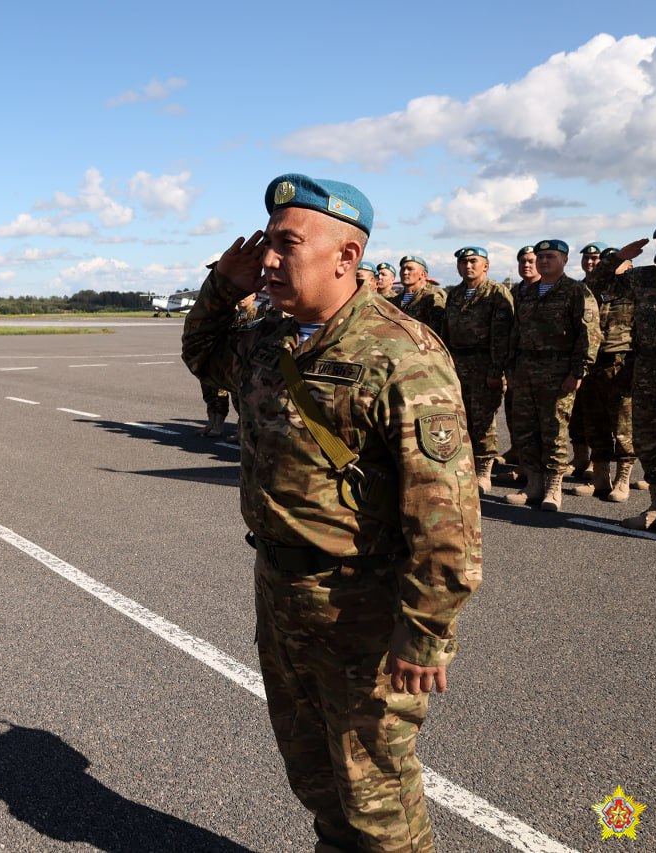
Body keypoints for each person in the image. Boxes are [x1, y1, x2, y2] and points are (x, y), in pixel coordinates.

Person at [183, 173, 482, 852]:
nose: (269, 258)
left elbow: (446, 510)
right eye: (268, 244)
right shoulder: (267, 337)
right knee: (313, 771)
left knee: (376, 792)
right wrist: (224, 288)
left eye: (287, 244)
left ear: (345, 256)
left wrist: (426, 627)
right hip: (282, 590)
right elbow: (201, 353)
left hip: (362, 606)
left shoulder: (402, 351)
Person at [504, 239, 600, 511]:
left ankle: (553, 487)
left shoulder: (576, 291)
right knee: (526, 429)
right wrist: (510, 369)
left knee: (554, 430)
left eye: (550, 257)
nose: (544, 261)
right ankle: (533, 484)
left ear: (564, 260)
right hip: (524, 370)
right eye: (541, 257)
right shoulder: (526, 292)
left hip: (558, 372)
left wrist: (578, 371)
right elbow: (515, 331)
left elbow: (589, 335)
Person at [594, 231, 656, 529]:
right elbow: (597, 285)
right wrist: (618, 258)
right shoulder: (644, 279)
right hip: (647, 367)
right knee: (648, 441)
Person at [442, 247, 514, 494]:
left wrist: (496, 370)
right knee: (460, 418)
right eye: (463, 262)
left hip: (485, 363)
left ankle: (484, 470)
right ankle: (465, 465)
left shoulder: (496, 293)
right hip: (458, 363)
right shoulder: (455, 294)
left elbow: (502, 335)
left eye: (474, 261)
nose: (468, 266)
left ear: (486, 265)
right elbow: (447, 333)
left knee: (483, 421)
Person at [568, 242, 636, 501]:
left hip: (621, 362)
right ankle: (600, 478)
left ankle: (623, 479)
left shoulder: (634, 287)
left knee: (622, 424)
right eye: (609, 262)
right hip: (592, 362)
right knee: (593, 422)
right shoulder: (592, 288)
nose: (612, 267)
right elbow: (596, 275)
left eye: (616, 263)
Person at [497, 245, 542, 475]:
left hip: (543, 364)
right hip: (517, 362)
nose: (527, 265)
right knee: (515, 411)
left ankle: (530, 467)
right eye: (522, 261)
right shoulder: (516, 292)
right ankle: (518, 452)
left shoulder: (546, 289)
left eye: (531, 261)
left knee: (536, 419)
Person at [196, 290, 261, 436]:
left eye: (246, 295)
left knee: (241, 400)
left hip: (245, 365)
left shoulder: (257, 316)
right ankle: (214, 424)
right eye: (239, 295)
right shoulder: (234, 316)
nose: (241, 298)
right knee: (222, 396)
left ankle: (238, 431)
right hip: (228, 364)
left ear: (254, 296)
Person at [396, 255, 446, 336]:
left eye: (410, 269)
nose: (405, 272)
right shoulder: (395, 300)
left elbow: (438, 331)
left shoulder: (431, 297)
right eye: (402, 269)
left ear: (423, 275)